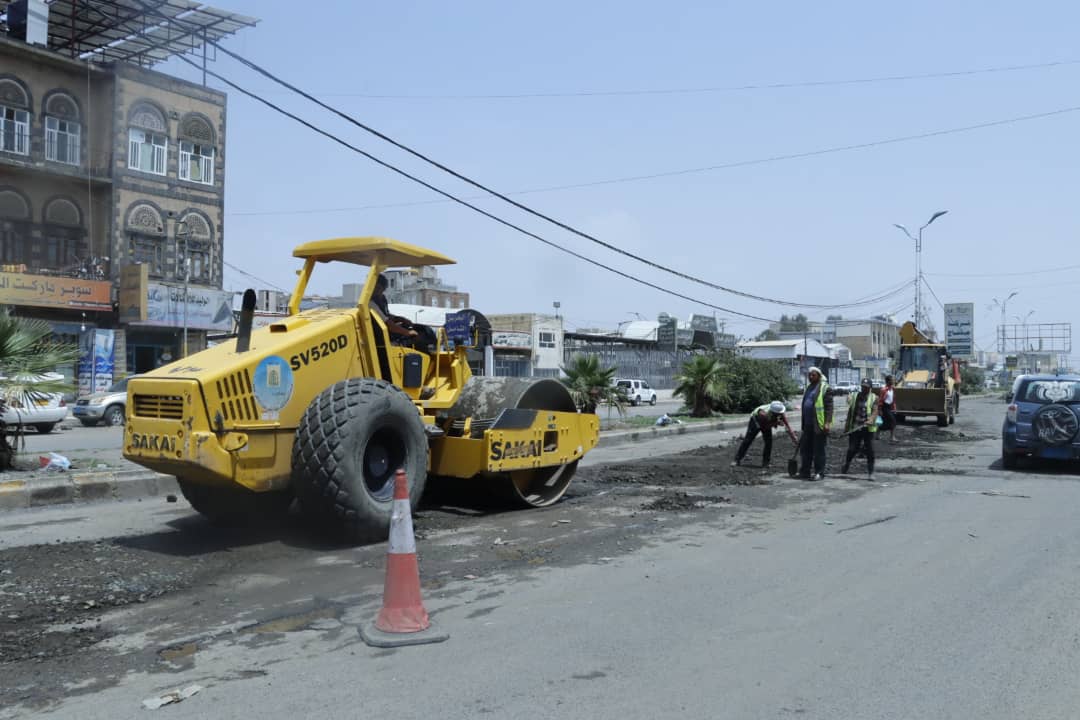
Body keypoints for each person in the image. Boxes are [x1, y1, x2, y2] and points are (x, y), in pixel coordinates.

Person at [731, 400, 797, 468]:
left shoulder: (779, 411)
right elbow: (765, 427)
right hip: (756, 421)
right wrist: (776, 423)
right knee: (748, 440)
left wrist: (793, 437)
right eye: (777, 414)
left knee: (768, 442)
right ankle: (737, 460)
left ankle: (766, 462)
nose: (779, 415)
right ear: (773, 412)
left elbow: (787, 424)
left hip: (767, 421)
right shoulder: (762, 414)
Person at [799, 366, 833, 480]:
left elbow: (829, 408)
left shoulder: (824, 388)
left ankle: (819, 472)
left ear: (819, 376)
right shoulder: (809, 387)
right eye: (809, 375)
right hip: (807, 424)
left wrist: (827, 423)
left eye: (813, 375)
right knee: (806, 449)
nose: (810, 377)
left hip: (818, 425)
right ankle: (805, 471)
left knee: (819, 450)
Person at [842, 378, 880, 480]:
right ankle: (847, 464)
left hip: (868, 429)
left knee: (870, 450)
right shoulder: (855, 396)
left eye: (866, 387)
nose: (864, 389)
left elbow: (875, 411)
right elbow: (850, 408)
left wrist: (871, 419)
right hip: (855, 427)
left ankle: (871, 472)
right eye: (863, 387)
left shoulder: (874, 398)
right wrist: (846, 428)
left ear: (870, 388)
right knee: (852, 449)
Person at [370, 274, 419, 342]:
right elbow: (389, 324)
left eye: (379, 288)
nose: (375, 291)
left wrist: (401, 319)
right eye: (375, 288)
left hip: (384, 331)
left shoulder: (382, 299)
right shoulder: (371, 304)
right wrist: (407, 332)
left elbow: (387, 315)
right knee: (415, 338)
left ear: (384, 288)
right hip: (379, 335)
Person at [878, 374, 897, 442]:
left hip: (889, 407)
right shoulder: (884, 390)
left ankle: (877, 435)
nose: (893, 381)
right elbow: (880, 400)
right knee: (893, 421)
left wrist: (894, 408)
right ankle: (892, 437)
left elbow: (893, 399)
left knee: (884, 422)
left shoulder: (892, 389)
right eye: (892, 380)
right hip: (884, 407)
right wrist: (880, 410)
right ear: (888, 381)